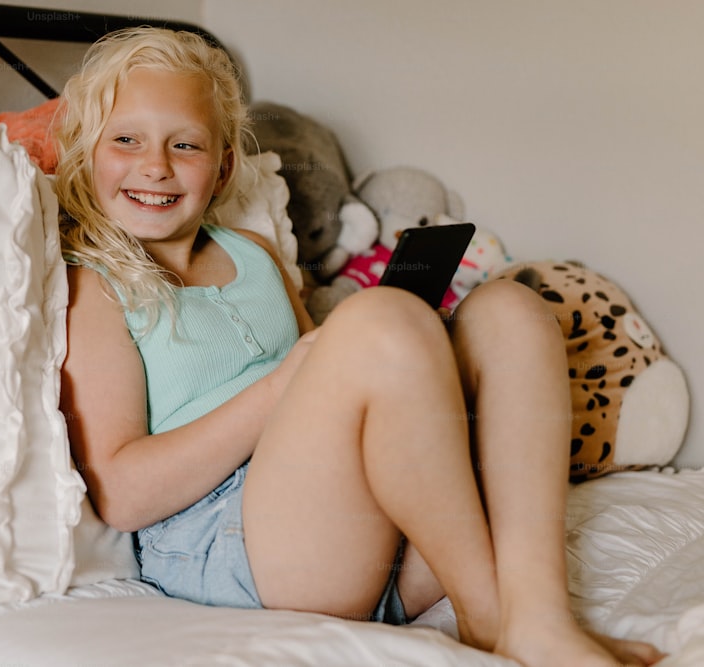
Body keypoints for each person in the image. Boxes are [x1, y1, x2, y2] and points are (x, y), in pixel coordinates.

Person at [54, 26, 664, 667]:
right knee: (373, 325)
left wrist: (389, 353)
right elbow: (122, 493)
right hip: (239, 548)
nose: (156, 165)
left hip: (365, 536)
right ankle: (490, 616)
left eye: (186, 144)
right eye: (126, 140)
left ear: (224, 164)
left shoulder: (253, 254)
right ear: (87, 151)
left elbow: (328, 380)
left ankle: (541, 617)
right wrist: (283, 386)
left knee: (510, 310)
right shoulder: (97, 283)